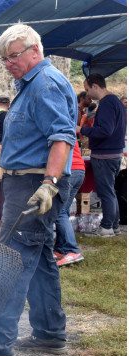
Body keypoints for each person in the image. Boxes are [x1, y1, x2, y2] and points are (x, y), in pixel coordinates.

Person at [0, 24, 76, 356]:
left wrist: (49, 182)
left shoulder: (44, 84)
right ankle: (50, 333)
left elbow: (62, 137)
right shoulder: (31, 85)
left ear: (35, 50)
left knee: (13, 258)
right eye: (5, 59)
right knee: (41, 258)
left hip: (35, 184)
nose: (9, 63)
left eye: (14, 56)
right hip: (27, 180)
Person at [78, 73, 127, 237]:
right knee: (110, 191)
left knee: (105, 192)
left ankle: (106, 227)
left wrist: (82, 130)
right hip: (113, 153)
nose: (87, 94)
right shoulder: (116, 102)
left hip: (105, 155)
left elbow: (105, 130)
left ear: (95, 86)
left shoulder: (107, 103)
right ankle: (113, 226)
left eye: (87, 89)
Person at [54, 140, 86, 266]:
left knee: (59, 211)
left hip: (68, 171)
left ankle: (72, 250)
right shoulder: (67, 124)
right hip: (79, 170)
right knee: (64, 211)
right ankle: (61, 249)